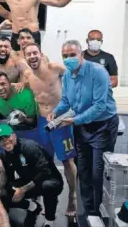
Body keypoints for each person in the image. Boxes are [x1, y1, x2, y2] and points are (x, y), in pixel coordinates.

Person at [49, 39, 118, 217]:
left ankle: (98, 211)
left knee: (97, 171)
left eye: (72, 55)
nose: (69, 59)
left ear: (81, 54)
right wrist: (55, 113)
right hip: (81, 127)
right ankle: (87, 211)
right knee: (84, 170)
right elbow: (66, 101)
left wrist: (75, 120)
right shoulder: (67, 75)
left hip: (102, 126)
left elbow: (99, 106)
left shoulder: (98, 72)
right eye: (65, 56)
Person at [19, 42, 78, 217]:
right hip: (42, 123)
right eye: (28, 54)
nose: (32, 57)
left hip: (60, 120)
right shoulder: (28, 75)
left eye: (34, 53)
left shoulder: (55, 68)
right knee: (45, 162)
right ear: (25, 58)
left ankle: (72, 196)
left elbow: (76, 78)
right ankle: (49, 197)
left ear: (41, 53)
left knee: (67, 161)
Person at [0, 124, 63, 227]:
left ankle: (50, 220)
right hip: (29, 181)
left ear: (14, 135)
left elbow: (45, 171)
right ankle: (33, 206)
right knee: (2, 193)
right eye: (1, 139)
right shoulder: (6, 154)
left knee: (48, 186)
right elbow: (9, 180)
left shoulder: (30, 147)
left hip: (49, 179)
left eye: (7, 136)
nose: (5, 141)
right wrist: (2, 170)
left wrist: (23, 189)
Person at [0, 0, 79, 51]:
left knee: (33, 60)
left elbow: (58, 3)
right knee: (15, 61)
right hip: (16, 35)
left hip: (32, 34)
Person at [0, 72, 38, 141]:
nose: (0, 88)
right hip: (10, 128)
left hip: (30, 129)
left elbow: (33, 123)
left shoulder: (25, 95)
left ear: (10, 84)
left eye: (3, 84)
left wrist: (23, 119)